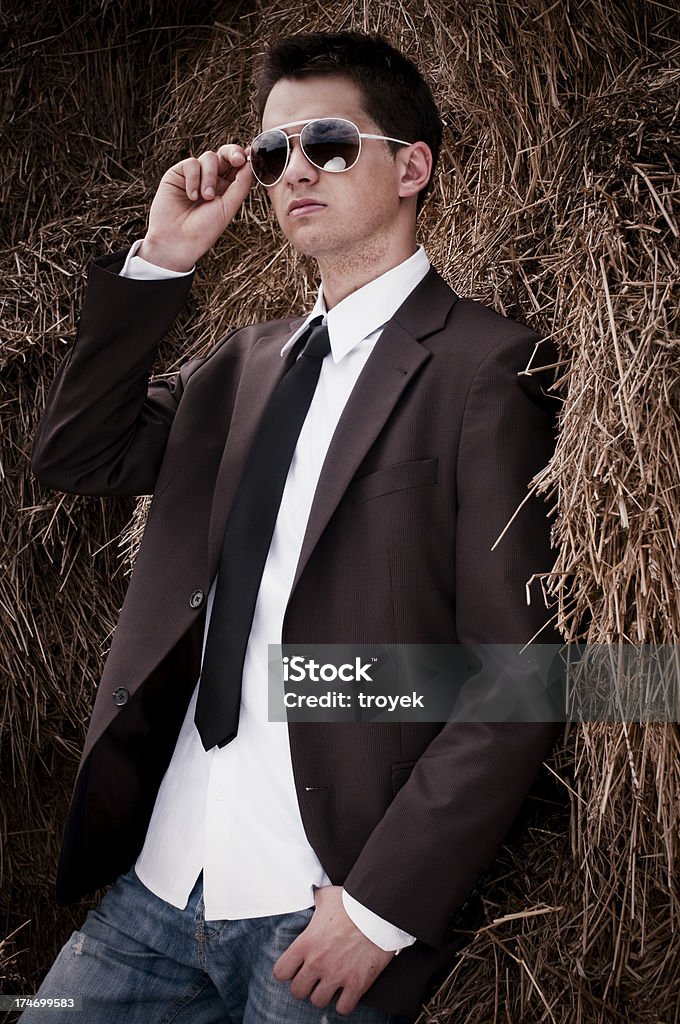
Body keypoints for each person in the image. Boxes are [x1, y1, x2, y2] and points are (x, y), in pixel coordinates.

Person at [25, 30, 561, 1024]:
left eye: (327, 143)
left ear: (412, 166)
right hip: (160, 880)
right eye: (271, 154)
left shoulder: (484, 368)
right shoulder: (243, 362)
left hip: (316, 911)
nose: (293, 170)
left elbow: (520, 674)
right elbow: (77, 453)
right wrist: (165, 257)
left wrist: (380, 907)